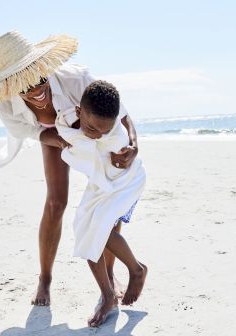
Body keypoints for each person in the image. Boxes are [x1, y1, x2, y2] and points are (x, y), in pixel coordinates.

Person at [0, 31, 138, 306]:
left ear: (43, 68)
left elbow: (120, 113)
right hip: (51, 135)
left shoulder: (76, 79)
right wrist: (56, 139)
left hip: (96, 130)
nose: (37, 90)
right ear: (12, 84)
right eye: (26, 86)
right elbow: (29, 131)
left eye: (39, 78)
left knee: (110, 197)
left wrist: (133, 145)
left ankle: (109, 274)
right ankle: (45, 279)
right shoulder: (7, 107)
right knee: (55, 204)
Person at [56, 80, 147, 327]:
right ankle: (107, 296)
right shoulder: (66, 121)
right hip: (100, 186)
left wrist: (132, 147)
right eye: (93, 128)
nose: (99, 134)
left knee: (100, 229)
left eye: (105, 130)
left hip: (125, 182)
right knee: (85, 233)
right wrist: (69, 139)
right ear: (78, 112)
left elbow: (118, 128)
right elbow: (63, 134)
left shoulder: (116, 136)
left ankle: (136, 270)